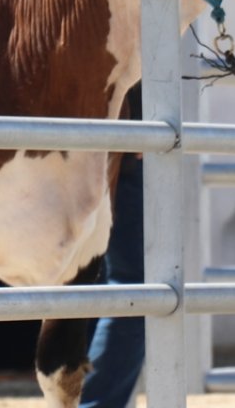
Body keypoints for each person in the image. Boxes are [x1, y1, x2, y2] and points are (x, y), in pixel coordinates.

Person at [80, 86, 145, 407]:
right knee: (138, 291)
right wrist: (144, 115)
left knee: (96, 283)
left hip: (92, 134)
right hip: (125, 142)